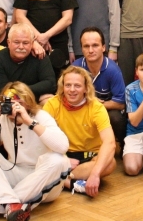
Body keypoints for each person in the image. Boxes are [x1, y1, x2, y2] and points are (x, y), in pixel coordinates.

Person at [0, 82, 70, 221]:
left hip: (44, 181)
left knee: (59, 160)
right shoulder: (1, 118)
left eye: (19, 103)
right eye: (10, 103)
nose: (14, 108)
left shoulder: (40, 116)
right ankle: (12, 204)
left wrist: (29, 121)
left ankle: (1, 203)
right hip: (16, 175)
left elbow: (63, 146)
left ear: (28, 103)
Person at [44, 66, 116, 198]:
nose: (72, 90)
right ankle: (69, 181)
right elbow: (42, 137)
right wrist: (65, 160)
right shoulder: (52, 104)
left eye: (77, 85)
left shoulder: (96, 107)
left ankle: (59, 179)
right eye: (68, 85)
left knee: (110, 163)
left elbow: (109, 142)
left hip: (90, 156)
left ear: (86, 88)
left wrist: (95, 174)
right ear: (62, 87)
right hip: (63, 155)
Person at [72, 27, 126, 149]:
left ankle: (121, 145)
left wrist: (97, 104)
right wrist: (89, 102)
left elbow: (121, 103)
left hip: (106, 110)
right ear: (81, 49)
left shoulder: (113, 70)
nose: (90, 50)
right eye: (86, 46)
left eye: (95, 45)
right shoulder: (75, 68)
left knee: (116, 118)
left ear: (103, 47)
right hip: (82, 107)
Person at [0, 23, 57, 101]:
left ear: (32, 43)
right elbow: (3, 91)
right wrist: (30, 93)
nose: (21, 47)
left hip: (34, 101)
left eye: (25, 43)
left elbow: (51, 84)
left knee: (48, 99)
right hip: (7, 102)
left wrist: (20, 92)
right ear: (8, 43)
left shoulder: (40, 55)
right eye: (16, 42)